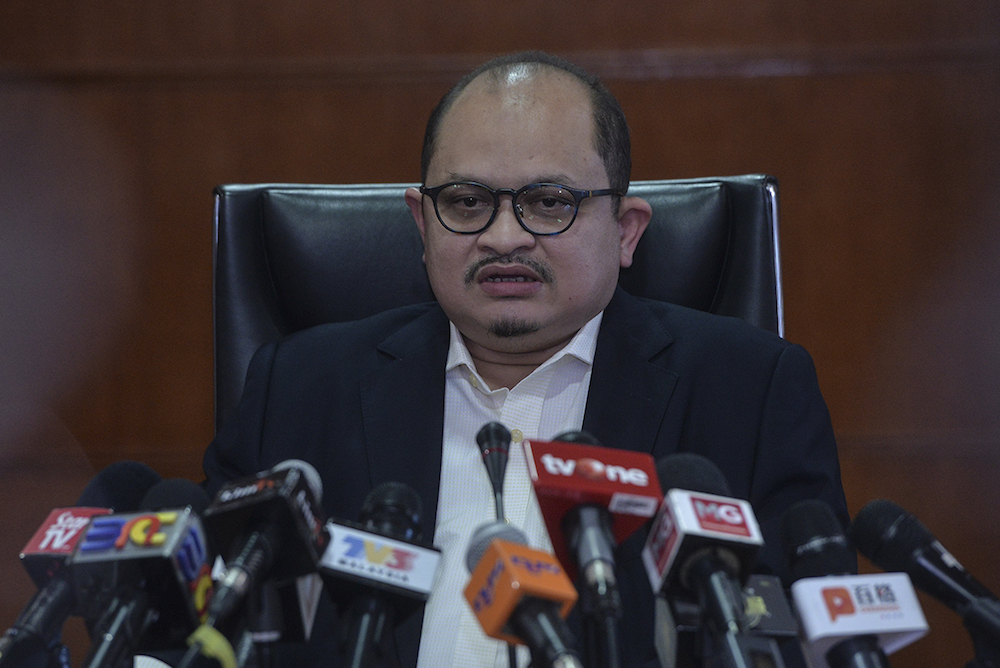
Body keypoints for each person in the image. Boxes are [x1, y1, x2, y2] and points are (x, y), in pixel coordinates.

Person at [203, 51, 849, 667]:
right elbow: (199, 629)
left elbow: (802, 642)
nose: (505, 237)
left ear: (626, 230)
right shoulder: (297, 392)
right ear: (421, 224)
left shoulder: (752, 396)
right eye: (465, 202)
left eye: (548, 203)